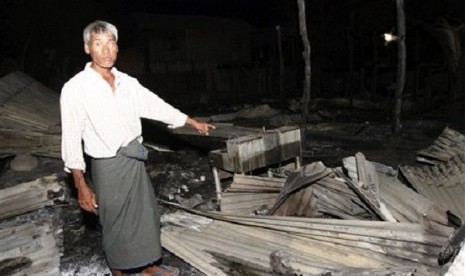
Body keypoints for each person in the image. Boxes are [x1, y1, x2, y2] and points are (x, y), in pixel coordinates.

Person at [60, 20, 215, 276]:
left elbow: (155, 104)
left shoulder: (126, 82)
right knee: (115, 221)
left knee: (146, 215)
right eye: (98, 44)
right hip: (108, 164)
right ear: (87, 48)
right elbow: (71, 137)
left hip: (134, 160)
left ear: (117, 47)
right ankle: (119, 271)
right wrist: (80, 184)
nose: (106, 50)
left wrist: (188, 120)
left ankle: (148, 266)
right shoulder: (75, 88)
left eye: (111, 43)